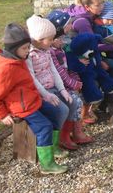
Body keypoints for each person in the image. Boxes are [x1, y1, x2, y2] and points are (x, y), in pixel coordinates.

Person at [0, 23, 68, 174]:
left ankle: (53, 148)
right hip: (21, 107)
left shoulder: (19, 59)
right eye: (25, 48)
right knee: (45, 126)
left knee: (57, 113)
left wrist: (45, 95)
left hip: (32, 101)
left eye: (28, 47)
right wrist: (2, 114)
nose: (28, 51)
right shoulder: (6, 68)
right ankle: (47, 164)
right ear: (13, 49)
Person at [26, 14, 78, 152]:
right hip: (41, 93)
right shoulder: (29, 54)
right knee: (62, 110)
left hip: (53, 88)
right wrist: (45, 95)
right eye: (50, 39)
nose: (53, 41)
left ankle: (62, 137)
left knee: (72, 103)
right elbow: (32, 78)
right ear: (39, 39)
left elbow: (54, 71)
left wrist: (62, 90)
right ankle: (52, 146)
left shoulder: (47, 50)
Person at [47, 10, 94, 144]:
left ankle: (76, 131)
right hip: (57, 86)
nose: (61, 41)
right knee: (75, 101)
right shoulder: (52, 52)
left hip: (66, 84)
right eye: (58, 39)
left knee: (78, 96)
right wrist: (73, 84)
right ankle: (68, 135)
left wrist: (76, 81)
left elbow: (69, 68)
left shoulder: (61, 49)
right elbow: (59, 72)